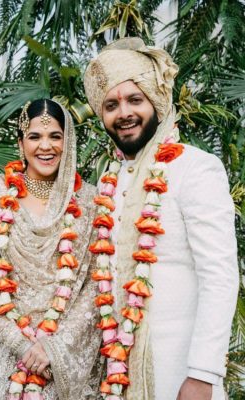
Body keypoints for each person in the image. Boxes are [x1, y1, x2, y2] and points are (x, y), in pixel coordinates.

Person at [84, 38, 239, 400]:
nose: (123, 112)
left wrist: (203, 374)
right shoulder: (109, 180)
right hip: (119, 375)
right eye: (111, 104)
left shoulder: (195, 167)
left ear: (155, 100)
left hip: (180, 373)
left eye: (134, 100)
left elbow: (219, 275)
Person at [0, 99, 102, 400]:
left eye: (55, 136)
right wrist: (21, 344)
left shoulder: (91, 201)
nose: (46, 146)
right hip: (2, 349)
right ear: (20, 144)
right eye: (35, 136)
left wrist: (54, 348)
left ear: (69, 142)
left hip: (61, 355)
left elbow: (94, 283)